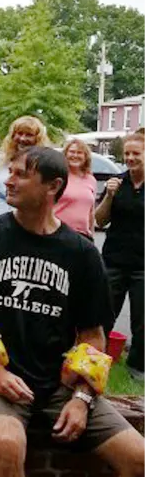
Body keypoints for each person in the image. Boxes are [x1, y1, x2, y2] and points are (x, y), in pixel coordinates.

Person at [0, 146, 145, 477]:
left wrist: (81, 397)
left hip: (58, 383)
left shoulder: (81, 253)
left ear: (52, 186)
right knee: (7, 444)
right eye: (11, 172)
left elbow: (93, 335)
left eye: (22, 174)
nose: (9, 180)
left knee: (138, 460)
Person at [96, 133, 145, 379]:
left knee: (142, 319)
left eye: (136, 153)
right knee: (104, 312)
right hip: (114, 260)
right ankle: (96, 359)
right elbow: (100, 219)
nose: (130, 158)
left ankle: (137, 367)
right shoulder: (118, 183)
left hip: (143, 265)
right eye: (127, 153)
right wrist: (109, 195)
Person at [0, 116, 50, 224]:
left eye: (28, 135)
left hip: (28, 224)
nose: (23, 138)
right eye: (19, 133)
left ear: (37, 139)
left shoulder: (43, 164)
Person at [55, 139, 97, 240]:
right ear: (65, 154)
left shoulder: (90, 179)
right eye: (72, 152)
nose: (75, 155)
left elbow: (91, 212)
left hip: (83, 236)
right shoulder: (58, 176)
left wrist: (91, 234)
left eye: (79, 153)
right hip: (58, 233)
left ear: (85, 157)